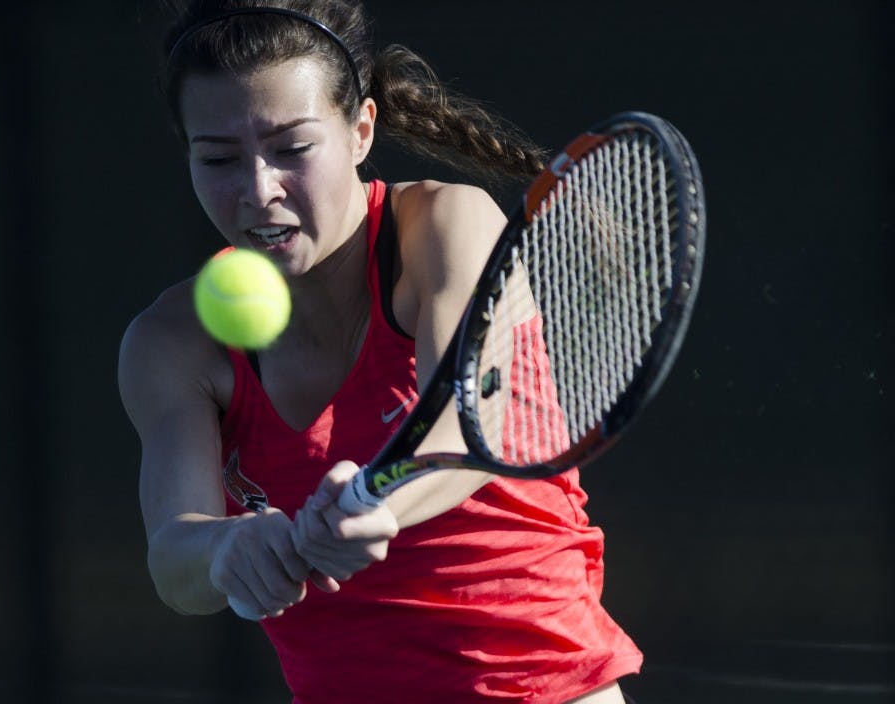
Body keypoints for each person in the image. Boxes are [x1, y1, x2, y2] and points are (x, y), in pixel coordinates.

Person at [118, 1, 643, 702]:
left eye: (292, 148)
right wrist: (226, 550)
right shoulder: (171, 342)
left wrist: (380, 504)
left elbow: (466, 429)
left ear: (361, 130)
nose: (257, 190)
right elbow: (175, 561)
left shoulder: (445, 229)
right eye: (217, 157)